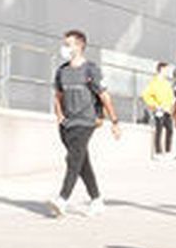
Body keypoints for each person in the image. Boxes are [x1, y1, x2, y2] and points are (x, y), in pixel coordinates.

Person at [47, 30, 122, 218]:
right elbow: (58, 95)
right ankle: (96, 200)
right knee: (81, 162)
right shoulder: (62, 71)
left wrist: (114, 121)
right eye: (65, 44)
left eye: (68, 44)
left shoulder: (91, 70)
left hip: (85, 121)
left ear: (79, 46)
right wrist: (59, 115)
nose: (64, 48)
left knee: (73, 160)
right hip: (67, 124)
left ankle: (62, 200)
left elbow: (104, 96)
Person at [143, 62, 175, 158]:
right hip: (159, 110)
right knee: (159, 130)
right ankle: (158, 152)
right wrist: (155, 105)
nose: (167, 72)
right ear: (161, 70)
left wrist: (171, 104)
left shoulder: (166, 83)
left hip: (167, 110)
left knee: (170, 129)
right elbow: (146, 95)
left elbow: (171, 95)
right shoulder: (154, 83)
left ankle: (168, 151)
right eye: (165, 69)